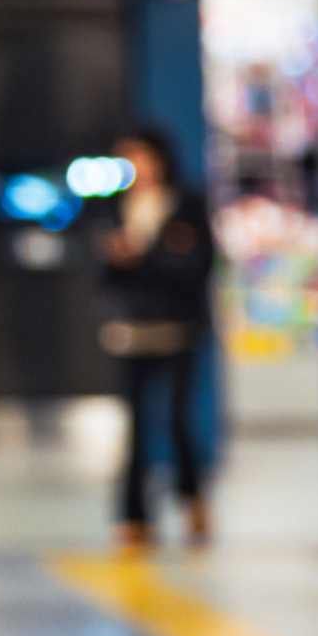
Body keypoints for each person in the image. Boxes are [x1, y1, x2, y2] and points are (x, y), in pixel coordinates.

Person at [96, 123, 218, 551]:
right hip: (131, 330)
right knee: (134, 427)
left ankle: (192, 498)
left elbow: (196, 265)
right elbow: (106, 275)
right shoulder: (115, 206)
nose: (133, 165)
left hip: (178, 328)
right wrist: (118, 258)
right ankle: (133, 516)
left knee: (176, 420)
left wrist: (142, 258)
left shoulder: (186, 204)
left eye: (139, 155)